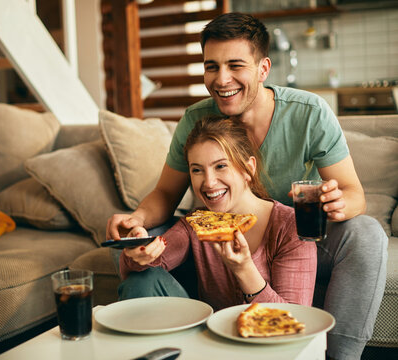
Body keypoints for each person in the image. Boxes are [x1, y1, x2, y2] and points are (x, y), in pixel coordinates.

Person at [106, 12, 387, 360]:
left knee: (366, 234)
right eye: (212, 66)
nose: (222, 79)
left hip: (295, 230)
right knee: (130, 247)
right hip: (218, 229)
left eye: (235, 65)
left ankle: (339, 356)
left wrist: (337, 203)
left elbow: (353, 193)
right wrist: (136, 223)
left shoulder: (309, 112)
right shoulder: (197, 118)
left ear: (263, 69)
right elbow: (165, 194)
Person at [118, 116, 317, 310]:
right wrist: (138, 249)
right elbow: (145, 267)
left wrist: (245, 269)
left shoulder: (292, 226)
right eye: (197, 170)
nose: (209, 182)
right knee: (142, 279)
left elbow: (294, 319)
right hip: (209, 336)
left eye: (220, 166)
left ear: (248, 169)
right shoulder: (196, 222)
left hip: (268, 338)